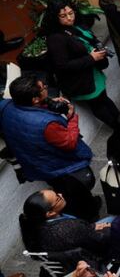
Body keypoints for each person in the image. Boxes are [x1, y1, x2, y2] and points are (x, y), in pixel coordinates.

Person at [0, 75, 98, 220]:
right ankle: (89, 216)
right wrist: (72, 118)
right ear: (35, 99)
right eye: (43, 88)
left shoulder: (5, 106)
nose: (46, 87)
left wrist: (46, 104)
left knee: (62, 191)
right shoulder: (47, 124)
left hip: (39, 165)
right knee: (77, 193)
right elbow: (70, 143)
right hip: (62, 168)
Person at [44, 0, 120, 128]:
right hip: (81, 81)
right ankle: (119, 128)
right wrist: (91, 58)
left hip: (92, 74)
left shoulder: (75, 26)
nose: (69, 18)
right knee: (98, 105)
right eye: (63, 16)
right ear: (55, 18)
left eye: (71, 13)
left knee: (104, 100)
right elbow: (62, 65)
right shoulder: (55, 38)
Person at [20, 189, 110, 265]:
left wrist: (89, 228)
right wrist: (108, 228)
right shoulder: (70, 227)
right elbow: (99, 242)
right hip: (92, 257)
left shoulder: (34, 225)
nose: (61, 194)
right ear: (50, 213)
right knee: (114, 220)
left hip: (73, 248)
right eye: (57, 198)